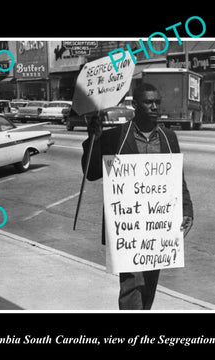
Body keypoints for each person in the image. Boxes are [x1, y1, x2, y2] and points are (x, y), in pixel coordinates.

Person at [81, 83, 194, 310]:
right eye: (148, 102)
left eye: (157, 102)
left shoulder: (168, 137)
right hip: (128, 226)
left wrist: (187, 209)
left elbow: (177, 179)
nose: (154, 106)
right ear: (135, 105)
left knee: (149, 285)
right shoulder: (116, 137)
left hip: (157, 225)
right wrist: (93, 139)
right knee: (132, 283)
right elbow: (91, 173)